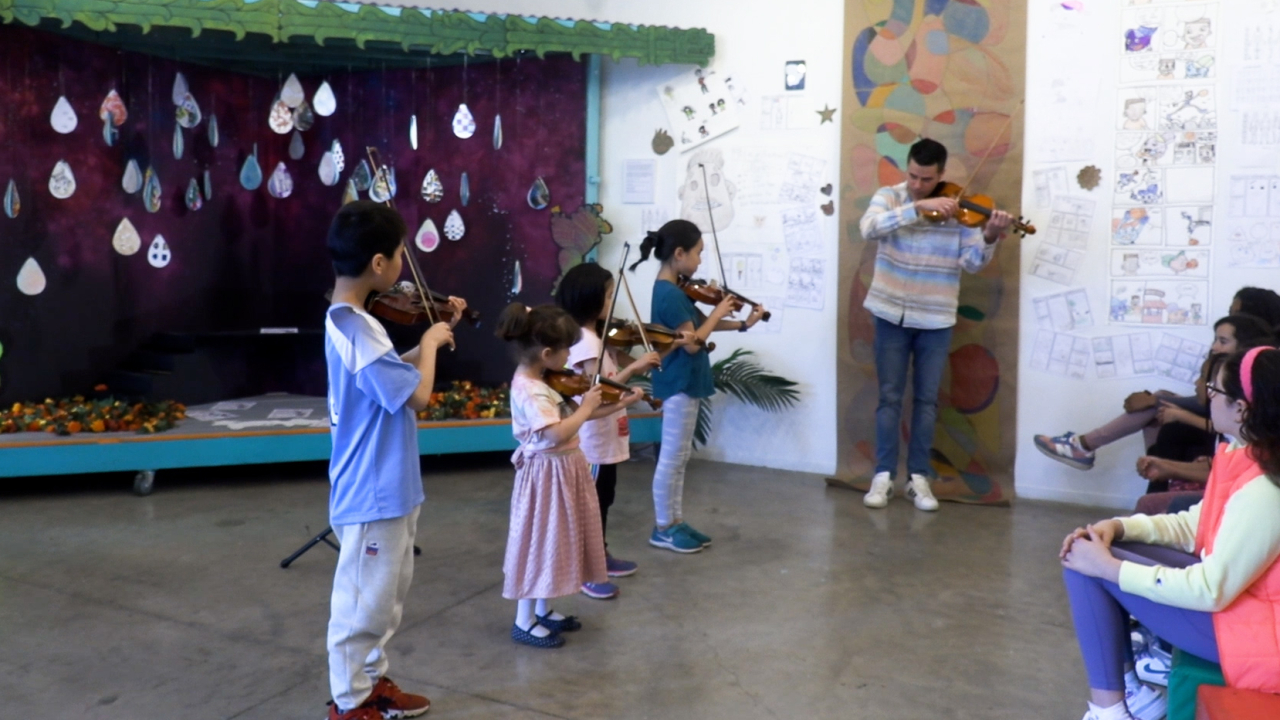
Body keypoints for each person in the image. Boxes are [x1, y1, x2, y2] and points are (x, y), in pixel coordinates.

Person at [1059, 346, 1280, 720]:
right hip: (1244, 616)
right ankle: (1126, 695)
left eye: (1214, 390)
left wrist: (1110, 569)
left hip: (1256, 639)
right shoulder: (1246, 455)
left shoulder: (1265, 489)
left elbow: (1210, 589)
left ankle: (1110, 708)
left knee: (1084, 563)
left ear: (1241, 409)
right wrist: (1118, 526)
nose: (1206, 396)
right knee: (1089, 549)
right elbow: (1194, 525)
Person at [323, 201, 465, 720]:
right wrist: (428, 341)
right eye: (402, 253)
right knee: (361, 604)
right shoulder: (356, 325)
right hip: (371, 486)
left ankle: (370, 682)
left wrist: (424, 343)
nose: (405, 264)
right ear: (379, 263)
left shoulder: (357, 321)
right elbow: (418, 397)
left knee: (385, 600)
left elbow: (386, 378)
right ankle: (349, 702)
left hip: (392, 482)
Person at [858, 138, 1012, 511]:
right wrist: (918, 207)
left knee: (927, 401)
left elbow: (973, 262)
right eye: (912, 176)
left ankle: (918, 478)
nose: (916, 184)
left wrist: (990, 235)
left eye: (926, 180)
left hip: (936, 317)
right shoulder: (891, 196)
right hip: (889, 312)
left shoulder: (959, 209)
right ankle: (882, 476)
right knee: (890, 397)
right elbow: (869, 229)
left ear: (942, 174)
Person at [629, 219, 766, 552]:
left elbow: (700, 328)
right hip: (678, 381)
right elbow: (692, 344)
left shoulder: (674, 289)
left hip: (684, 381)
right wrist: (719, 310)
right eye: (698, 253)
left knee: (679, 457)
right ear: (679, 254)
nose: (701, 261)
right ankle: (663, 527)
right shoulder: (670, 294)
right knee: (672, 459)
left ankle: (674, 521)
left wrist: (742, 324)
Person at [495, 303, 617, 648]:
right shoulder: (530, 389)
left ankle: (543, 610)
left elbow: (575, 416)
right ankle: (524, 620)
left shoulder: (544, 380)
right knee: (540, 543)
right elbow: (555, 434)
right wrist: (589, 407)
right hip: (547, 474)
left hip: (562, 471)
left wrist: (621, 402)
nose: (570, 357)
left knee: (556, 541)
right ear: (547, 353)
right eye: (566, 350)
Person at [1036, 313, 1274, 470]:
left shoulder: (1248, 382)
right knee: (1159, 403)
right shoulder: (1225, 373)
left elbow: (1229, 421)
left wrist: (1175, 411)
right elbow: (1206, 402)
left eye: (1223, 341)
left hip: (1221, 446)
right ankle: (1096, 447)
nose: (1214, 347)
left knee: (1160, 406)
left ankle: (1084, 445)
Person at [554, 263, 664, 599]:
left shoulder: (594, 338)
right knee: (594, 504)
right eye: (608, 294)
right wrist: (635, 368)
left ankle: (600, 556)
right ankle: (587, 570)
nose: (611, 300)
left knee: (604, 501)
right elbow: (599, 392)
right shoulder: (587, 344)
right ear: (591, 298)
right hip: (594, 443)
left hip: (607, 440)